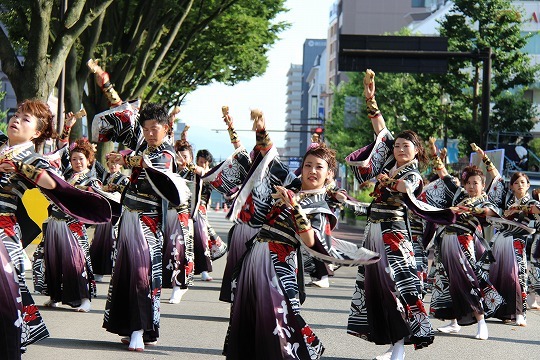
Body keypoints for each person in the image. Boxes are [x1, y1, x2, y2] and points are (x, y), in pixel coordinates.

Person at [345, 70, 452, 360]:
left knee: (398, 286)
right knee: (376, 287)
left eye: (406, 146)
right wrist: (371, 99)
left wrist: (389, 182)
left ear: (417, 151)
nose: (399, 148)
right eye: (397, 145)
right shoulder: (391, 161)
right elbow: (380, 129)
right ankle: (396, 344)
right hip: (375, 232)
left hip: (395, 234)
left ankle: (402, 347)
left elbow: (408, 187)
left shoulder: (413, 172)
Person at [0, 99, 111, 359]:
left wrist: (20, 167)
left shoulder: (31, 158)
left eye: (26, 119)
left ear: (37, 132)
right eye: (16, 114)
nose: (16, 120)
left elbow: (52, 182)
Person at [223, 140, 338, 359]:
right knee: (248, 318)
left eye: (319, 167)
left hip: (279, 266)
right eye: (308, 165)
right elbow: (270, 160)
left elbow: (311, 240)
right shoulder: (290, 185)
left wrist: (295, 208)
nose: (312, 171)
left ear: (329, 173)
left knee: (279, 322)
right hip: (254, 258)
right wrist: (262, 130)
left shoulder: (320, 208)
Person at [96, 101, 187, 352]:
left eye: (154, 128)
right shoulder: (144, 148)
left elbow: (154, 169)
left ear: (167, 128)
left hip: (148, 222)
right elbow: (137, 164)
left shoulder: (166, 154)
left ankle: (139, 330)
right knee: (125, 273)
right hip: (129, 218)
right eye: (145, 128)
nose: (149, 133)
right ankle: (132, 328)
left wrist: (126, 159)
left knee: (142, 276)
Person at [424, 141, 503, 340]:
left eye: (475, 183)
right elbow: (444, 175)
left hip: (463, 244)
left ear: (482, 185)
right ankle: (453, 322)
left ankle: (481, 323)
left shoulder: (485, 201)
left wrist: (473, 209)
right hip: (445, 242)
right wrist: (434, 154)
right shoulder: (459, 194)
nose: (470, 186)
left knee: (469, 281)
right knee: (447, 281)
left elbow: (491, 212)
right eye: (468, 183)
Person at [36, 139, 103, 312]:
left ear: (89, 159)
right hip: (55, 223)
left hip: (73, 226)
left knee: (76, 262)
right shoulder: (67, 175)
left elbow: (93, 205)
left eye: (81, 158)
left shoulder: (92, 181)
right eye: (74, 159)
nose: (77, 162)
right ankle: (55, 297)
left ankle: (85, 299)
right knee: (53, 260)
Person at [482, 146, 539, 326]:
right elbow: (497, 178)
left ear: (528, 185)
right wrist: (485, 159)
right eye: (516, 182)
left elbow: (536, 210)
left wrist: (518, 209)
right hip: (500, 241)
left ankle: (519, 314)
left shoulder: (531, 201)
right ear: (512, 186)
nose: (520, 185)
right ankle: (502, 312)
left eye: (523, 182)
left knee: (516, 276)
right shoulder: (507, 199)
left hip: (517, 243)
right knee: (497, 274)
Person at [90, 157, 129, 282]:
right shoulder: (105, 177)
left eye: (115, 163)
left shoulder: (124, 179)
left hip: (116, 214)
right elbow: (96, 164)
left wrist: (116, 189)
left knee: (116, 243)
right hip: (104, 213)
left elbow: (126, 195)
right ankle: (99, 271)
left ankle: (116, 271)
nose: (113, 166)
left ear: (120, 165)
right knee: (99, 242)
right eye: (110, 163)